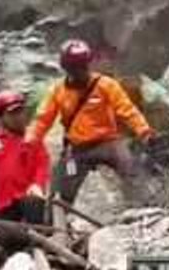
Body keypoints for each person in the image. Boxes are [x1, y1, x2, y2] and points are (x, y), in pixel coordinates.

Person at [27, 39, 155, 208]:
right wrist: (29, 144)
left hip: (108, 143)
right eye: (75, 67)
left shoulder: (105, 84)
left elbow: (127, 110)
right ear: (67, 68)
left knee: (129, 165)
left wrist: (144, 132)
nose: (81, 71)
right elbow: (42, 120)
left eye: (83, 66)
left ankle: (147, 206)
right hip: (78, 149)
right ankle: (57, 223)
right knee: (63, 185)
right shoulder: (58, 91)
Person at [0, 91, 51, 249]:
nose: (19, 116)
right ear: (1, 118)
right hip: (4, 205)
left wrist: (37, 184)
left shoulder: (34, 137)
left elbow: (42, 164)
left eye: (21, 111)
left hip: (29, 200)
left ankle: (36, 247)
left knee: (33, 209)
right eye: (12, 113)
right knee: (6, 243)